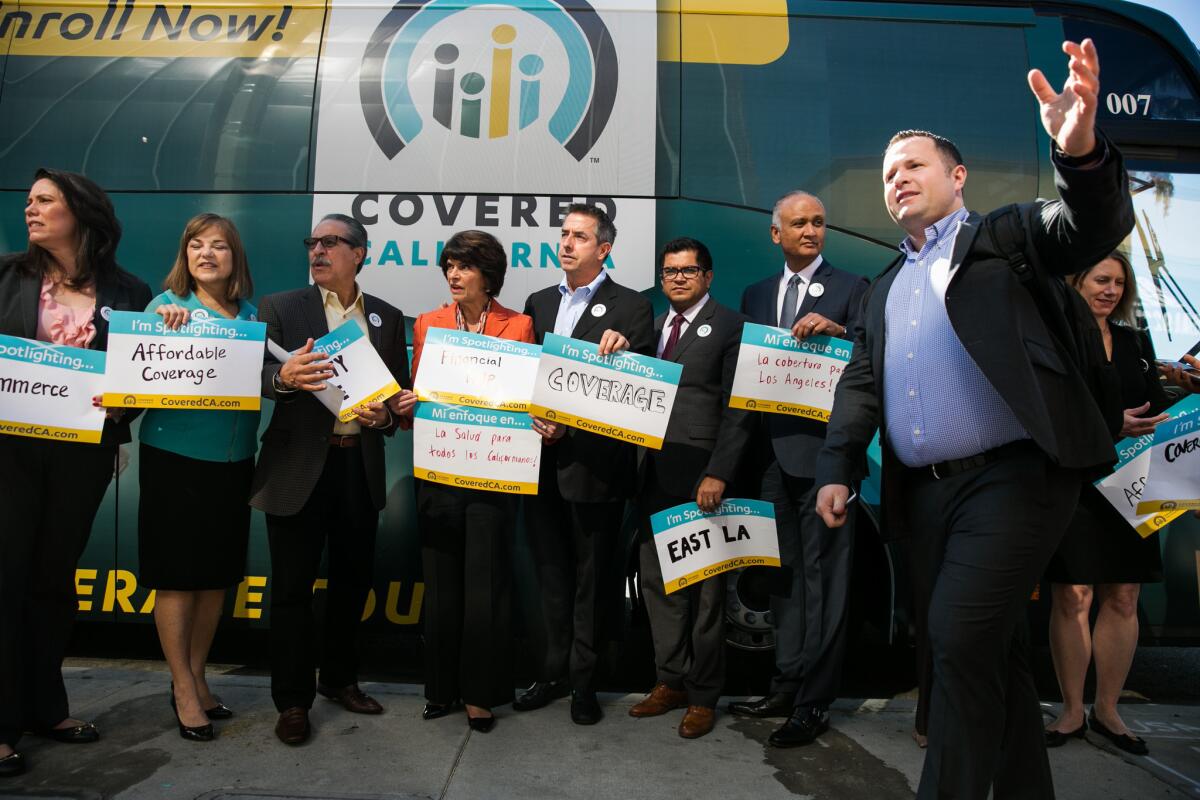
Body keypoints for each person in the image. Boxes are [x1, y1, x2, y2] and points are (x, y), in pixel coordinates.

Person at [814, 39, 1134, 798]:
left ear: (957, 177)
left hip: (1015, 480)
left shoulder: (1008, 239)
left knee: (955, 644)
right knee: (993, 655)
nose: (899, 181)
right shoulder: (885, 285)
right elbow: (861, 383)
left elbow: (1087, 225)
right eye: (889, 175)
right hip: (925, 496)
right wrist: (837, 468)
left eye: (914, 166)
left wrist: (1079, 148)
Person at [0, 168, 151, 777]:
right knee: (5, 579)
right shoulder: (6, 275)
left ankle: (46, 708)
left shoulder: (129, 291)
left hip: (82, 455)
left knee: (54, 579)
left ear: (81, 214)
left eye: (44, 201)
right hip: (7, 452)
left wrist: (125, 401)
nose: (30, 210)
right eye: (30, 202)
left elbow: (143, 379)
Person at [251, 213, 410, 746]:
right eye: (312, 242)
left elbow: (395, 399)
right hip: (297, 467)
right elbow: (253, 375)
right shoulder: (281, 306)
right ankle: (292, 702)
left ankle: (340, 681)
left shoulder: (386, 317)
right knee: (292, 591)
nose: (317, 251)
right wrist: (282, 378)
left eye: (331, 243)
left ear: (359, 253)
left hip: (356, 467)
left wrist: (387, 417)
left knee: (351, 585)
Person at [727, 191, 868, 749]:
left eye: (818, 222)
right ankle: (784, 685)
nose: (810, 231)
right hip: (770, 461)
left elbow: (871, 354)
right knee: (782, 580)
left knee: (825, 582)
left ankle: (814, 702)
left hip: (825, 459)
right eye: (799, 223)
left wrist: (838, 332)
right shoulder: (757, 294)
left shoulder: (852, 289)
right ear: (775, 234)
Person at [387, 230, 535, 733]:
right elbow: (416, 394)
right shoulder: (428, 324)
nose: (454, 275)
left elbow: (527, 401)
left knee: (485, 588)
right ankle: (440, 689)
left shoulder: (519, 326)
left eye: (464, 266)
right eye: (449, 265)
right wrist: (406, 406)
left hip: (494, 475)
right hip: (440, 471)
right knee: (442, 586)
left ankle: (481, 694)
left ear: (488, 275)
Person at [514, 203, 655, 725]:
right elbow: (528, 375)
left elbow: (633, 394)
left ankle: (584, 683)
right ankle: (551, 672)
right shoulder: (538, 302)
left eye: (579, 236)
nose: (567, 243)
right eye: (564, 234)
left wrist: (620, 356)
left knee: (592, 581)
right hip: (539, 464)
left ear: (604, 248)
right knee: (549, 574)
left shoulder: (633, 307)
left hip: (595, 469)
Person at [137, 213, 260, 742]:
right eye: (196, 244)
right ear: (184, 254)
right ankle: (182, 688)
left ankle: (199, 676)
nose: (206, 253)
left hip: (233, 462)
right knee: (177, 576)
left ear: (235, 259)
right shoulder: (164, 310)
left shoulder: (253, 315)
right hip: (174, 458)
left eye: (219, 246)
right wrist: (161, 336)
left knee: (216, 577)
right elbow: (133, 380)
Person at [1043, 252, 1169, 756]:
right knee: (1073, 597)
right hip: (1074, 483)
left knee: (1123, 597)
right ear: (1076, 280)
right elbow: (1048, 409)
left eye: (1119, 282)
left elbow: (1156, 411)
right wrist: (1107, 425)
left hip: (1136, 483)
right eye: (1101, 279)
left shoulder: (1138, 342)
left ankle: (1108, 710)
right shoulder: (1057, 337)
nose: (1111, 289)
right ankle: (1072, 711)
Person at [628, 237, 753, 739]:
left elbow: (740, 405)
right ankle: (670, 681)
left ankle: (703, 696)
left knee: (705, 593)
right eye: (669, 271)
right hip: (653, 475)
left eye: (688, 270)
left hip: (704, 480)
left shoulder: (731, 325)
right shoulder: (654, 328)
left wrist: (719, 472)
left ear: (708, 276)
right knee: (659, 585)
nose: (677, 278)